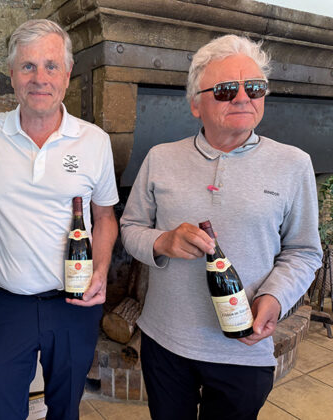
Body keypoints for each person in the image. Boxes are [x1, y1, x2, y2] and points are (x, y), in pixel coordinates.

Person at [120, 34, 323, 420]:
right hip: (166, 343)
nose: (243, 98)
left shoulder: (293, 164)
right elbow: (130, 228)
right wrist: (162, 241)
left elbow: (304, 251)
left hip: (243, 350)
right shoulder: (161, 158)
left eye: (254, 88)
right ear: (196, 103)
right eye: (227, 89)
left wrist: (275, 298)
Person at [0, 19, 119, 420]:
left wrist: (101, 270)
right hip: (4, 305)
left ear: (67, 74)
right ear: (12, 74)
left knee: (65, 409)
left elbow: (105, 217)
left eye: (51, 66)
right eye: (28, 66)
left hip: (73, 304)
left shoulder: (95, 141)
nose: (40, 78)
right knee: (1, 410)